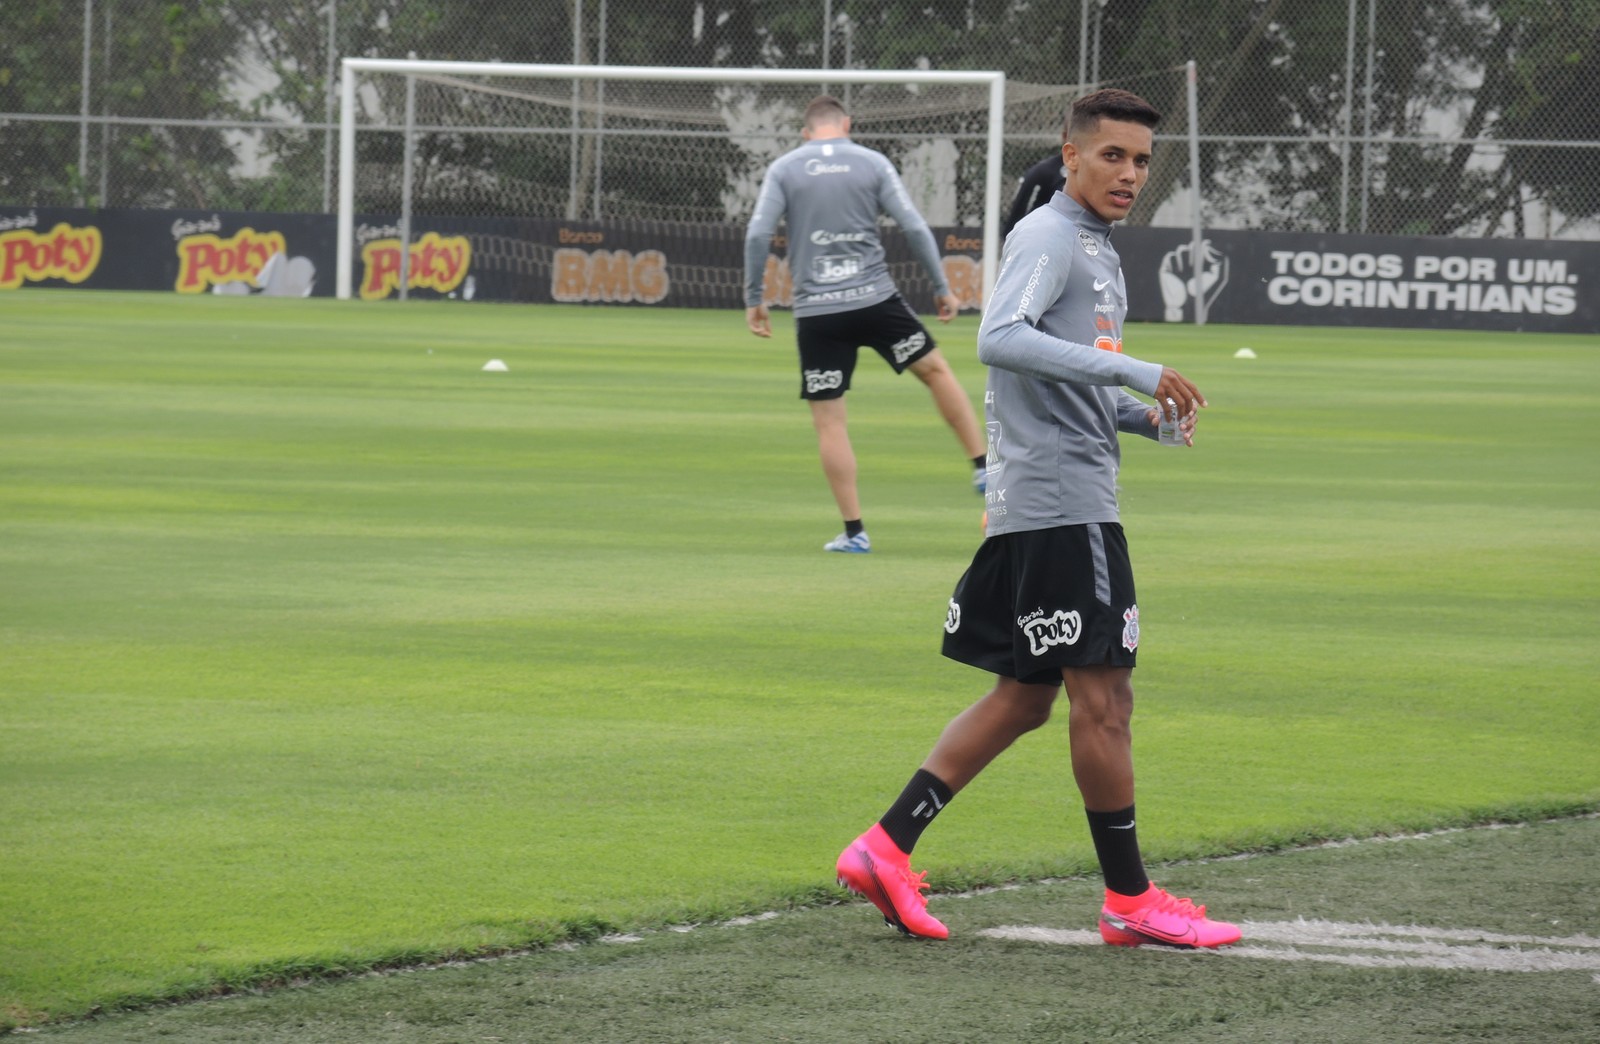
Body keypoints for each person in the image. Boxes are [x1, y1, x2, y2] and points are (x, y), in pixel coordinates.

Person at [834, 88, 1241, 949]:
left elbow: (1059, 378)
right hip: (1066, 510)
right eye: (1113, 157)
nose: (1129, 173)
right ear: (1070, 155)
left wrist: (1142, 417)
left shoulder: (1088, 245)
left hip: (1044, 502)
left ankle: (883, 846)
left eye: (1140, 160)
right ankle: (1130, 900)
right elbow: (999, 339)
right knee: (1106, 700)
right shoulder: (1052, 235)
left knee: (1024, 699)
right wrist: (1135, 370)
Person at [743, 95, 987, 554]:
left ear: (806, 132)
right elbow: (913, 224)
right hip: (876, 300)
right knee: (935, 371)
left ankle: (855, 533)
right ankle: (981, 465)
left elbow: (758, 233)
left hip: (818, 312)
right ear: (847, 125)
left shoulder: (786, 168)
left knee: (830, 423)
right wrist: (941, 287)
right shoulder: (871, 162)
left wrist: (754, 299)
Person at [998, 114, 1069, 241]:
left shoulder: (1094, 173)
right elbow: (1018, 212)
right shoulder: (1043, 172)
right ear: (1065, 137)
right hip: (1039, 243)